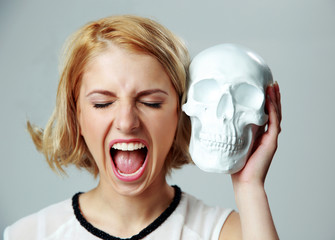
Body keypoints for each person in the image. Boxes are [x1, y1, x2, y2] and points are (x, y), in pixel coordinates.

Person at [4, 15, 281, 239]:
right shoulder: (27, 234)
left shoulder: (225, 232)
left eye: (150, 103)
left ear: (180, 112)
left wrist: (249, 187)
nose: (127, 122)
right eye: (102, 103)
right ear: (76, 116)